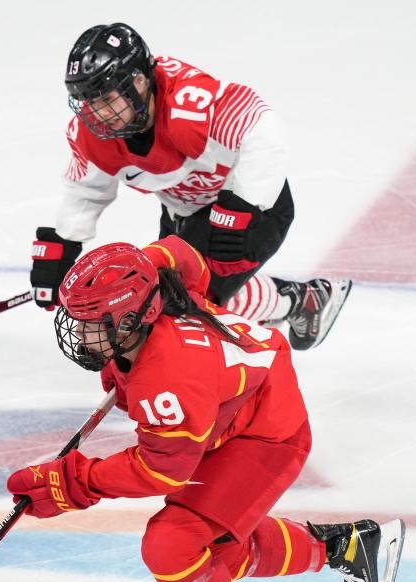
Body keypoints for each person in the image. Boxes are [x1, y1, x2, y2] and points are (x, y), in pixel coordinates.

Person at [7, 236, 404, 582]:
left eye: (92, 323)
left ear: (131, 319)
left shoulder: (169, 377)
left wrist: (72, 483)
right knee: (213, 554)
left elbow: (159, 468)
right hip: (235, 409)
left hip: (266, 432)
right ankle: (344, 547)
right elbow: (180, 252)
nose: (78, 333)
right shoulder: (154, 287)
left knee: (173, 545)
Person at [29, 21, 351, 350]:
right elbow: (86, 190)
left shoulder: (188, 103)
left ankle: (294, 302)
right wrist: (65, 241)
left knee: (175, 301)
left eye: (106, 99)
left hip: (249, 212)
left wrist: (244, 204)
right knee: (164, 297)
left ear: (138, 81)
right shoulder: (94, 133)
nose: (97, 113)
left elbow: (261, 129)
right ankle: (304, 300)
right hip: (183, 213)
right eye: (88, 101)